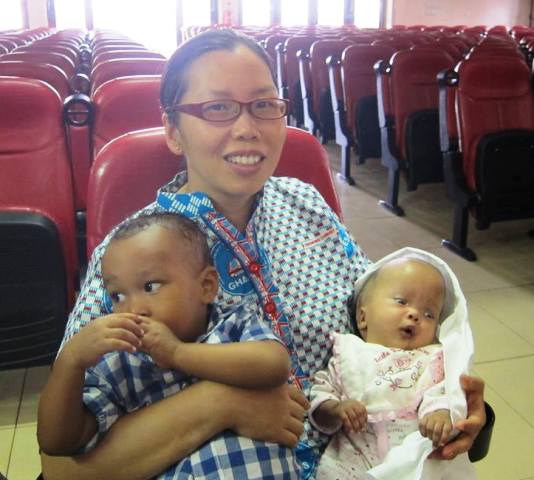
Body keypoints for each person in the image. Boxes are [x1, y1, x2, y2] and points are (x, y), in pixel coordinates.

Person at [40, 29, 488, 480]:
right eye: (218, 108)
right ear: (174, 131)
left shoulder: (306, 204)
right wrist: (220, 404)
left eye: (263, 105)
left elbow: (383, 322)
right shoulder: (130, 258)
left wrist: (449, 400)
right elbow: (61, 468)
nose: (247, 128)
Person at [38, 212, 300, 477]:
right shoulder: (121, 363)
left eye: (150, 287)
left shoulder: (234, 325)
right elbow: (59, 443)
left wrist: (178, 353)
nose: (134, 309)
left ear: (206, 286)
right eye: (117, 296)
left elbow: (275, 364)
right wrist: (70, 362)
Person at [310, 248, 476, 479]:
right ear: (362, 317)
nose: (414, 314)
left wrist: (439, 413)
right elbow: (321, 395)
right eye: (401, 301)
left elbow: (442, 392)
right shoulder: (348, 355)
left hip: (413, 461)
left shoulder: (431, 359)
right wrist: (337, 409)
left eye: (429, 314)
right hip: (352, 463)